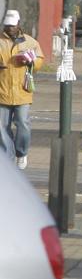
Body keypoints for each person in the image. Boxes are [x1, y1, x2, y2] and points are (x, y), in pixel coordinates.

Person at [0, 10, 44, 169]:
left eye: (12, 25)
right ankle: (7, 155)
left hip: (22, 91)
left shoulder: (29, 42)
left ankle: (21, 153)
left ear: (18, 24)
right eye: (7, 26)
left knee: (23, 123)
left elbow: (39, 59)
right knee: (1, 126)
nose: (10, 28)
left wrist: (31, 62)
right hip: (2, 91)